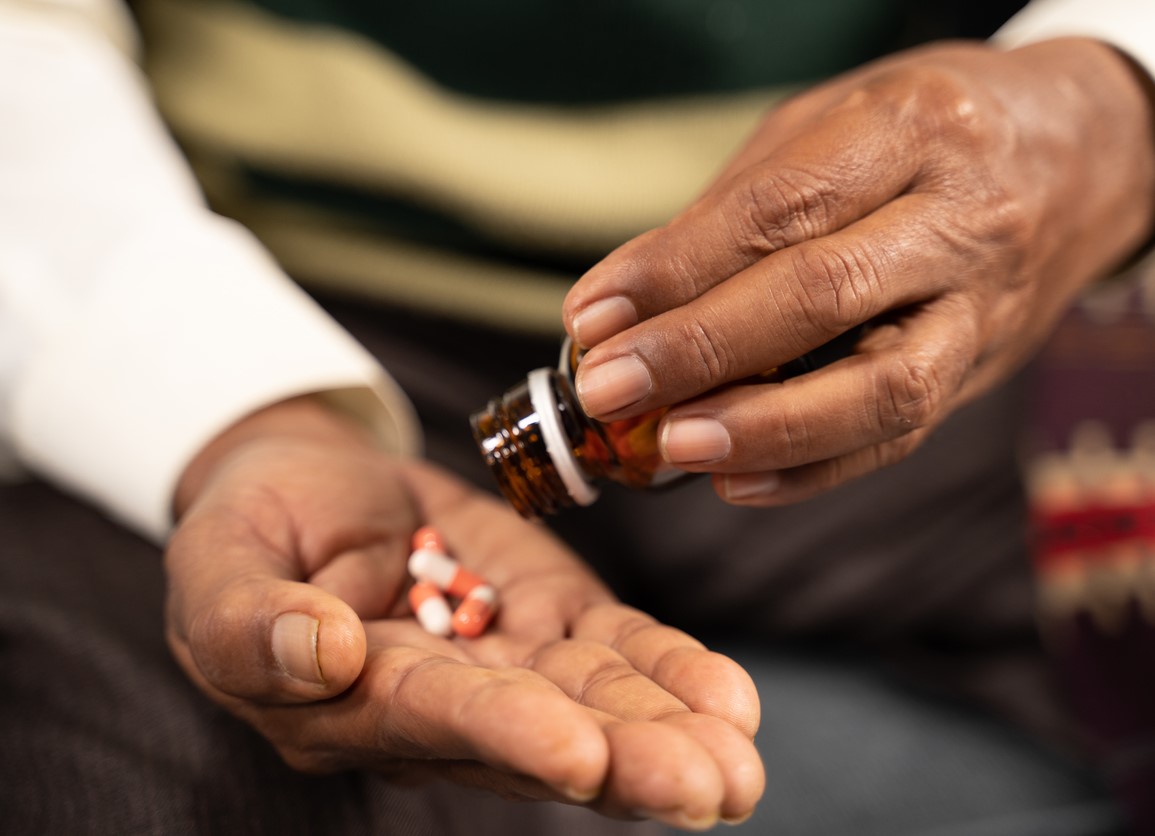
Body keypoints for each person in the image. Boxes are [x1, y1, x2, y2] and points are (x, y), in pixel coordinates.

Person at [1, 0, 1152, 833]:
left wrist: (1113, 95)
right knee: (106, 782)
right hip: (276, 292)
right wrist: (239, 411)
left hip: (957, 283)